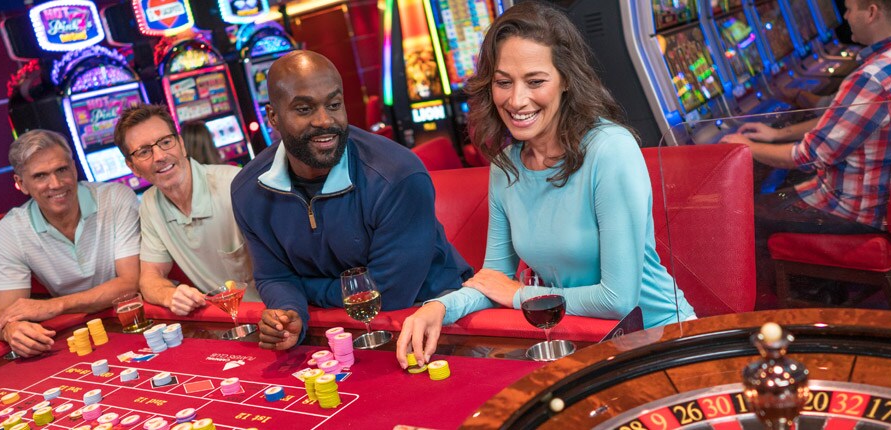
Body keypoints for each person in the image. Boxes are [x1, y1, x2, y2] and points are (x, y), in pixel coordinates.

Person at [396, 0, 696, 369]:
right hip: (581, 344)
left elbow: (618, 300)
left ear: (566, 80)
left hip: (658, 339)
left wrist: (520, 295)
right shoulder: (506, 166)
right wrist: (439, 307)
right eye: (503, 82)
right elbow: (494, 281)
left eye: (535, 81)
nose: (516, 100)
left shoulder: (610, 149)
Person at [229, 50, 473, 351]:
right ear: (274, 117)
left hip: (432, 317)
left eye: (334, 105)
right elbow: (274, 275)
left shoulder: (397, 175)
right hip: (339, 326)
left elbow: (388, 293)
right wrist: (291, 312)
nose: (324, 121)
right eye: (304, 109)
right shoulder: (248, 190)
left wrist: (302, 287)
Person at [720, 0, 891, 299]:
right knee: (784, 186)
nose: (844, 17)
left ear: (872, 12)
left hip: (865, 212)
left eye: (848, 9)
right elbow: (845, 120)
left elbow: (809, 156)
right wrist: (776, 133)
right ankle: (824, 286)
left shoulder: (872, 77)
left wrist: (746, 147)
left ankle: (796, 313)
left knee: (743, 212)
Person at [0, 129, 140, 357]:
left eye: (62, 170)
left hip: (135, 315)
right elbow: (1, 317)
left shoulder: (116, 198)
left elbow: (130, 283)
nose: (56, 183)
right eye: (40, 176)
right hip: (78, 330)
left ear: (74, 167)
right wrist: (12, 329)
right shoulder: (10, 231)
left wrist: (54, 305)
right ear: (21, 184)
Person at [114, 104, 255, 316]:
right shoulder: (151, 203)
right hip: (222, 319)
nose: (159, 156)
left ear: (181, 144)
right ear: (132, 167)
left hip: (271, 313)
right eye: (144, 152)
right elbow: (149, 279)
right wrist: (170, 295)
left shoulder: (234, 186)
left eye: (166, 142)